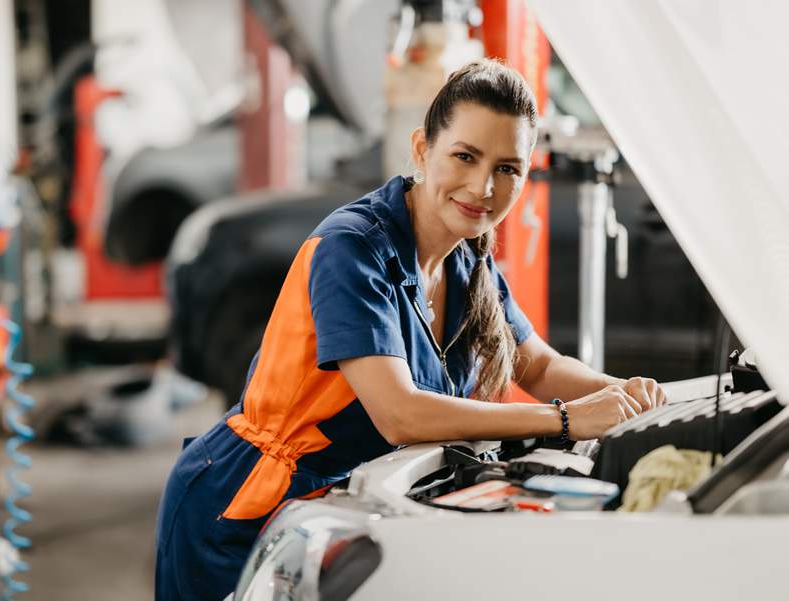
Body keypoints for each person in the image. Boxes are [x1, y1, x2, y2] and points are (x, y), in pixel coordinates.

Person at [154, 58, 666, 601]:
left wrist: (626, 395)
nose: (483, 186)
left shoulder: (468, 258)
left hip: (338, 513)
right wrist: (566, 421)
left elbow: (536, 365)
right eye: (465, 156)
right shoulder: (353, 249)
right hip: (243, 512)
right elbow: (399, 413)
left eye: (508, 168)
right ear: (422, 149)